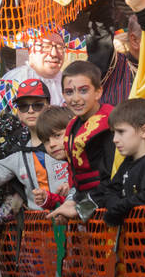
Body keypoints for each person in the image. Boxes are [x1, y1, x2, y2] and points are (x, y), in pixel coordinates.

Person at [0, 79, 70, 210]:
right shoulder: (17, 151)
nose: (30, 110)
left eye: (37, 105)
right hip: (38, 225)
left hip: (74, 221)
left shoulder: (66, 139)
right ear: (18, 113)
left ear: (48, 106)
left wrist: (72, 184)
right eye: (23, 106)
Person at [48, 61, 115, 223]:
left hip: (108, 211)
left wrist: (81, 209)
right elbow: (75, 175)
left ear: (98, 92)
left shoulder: (111, 125)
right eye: (69, 92)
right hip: (84, 211)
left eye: (83, 91)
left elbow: (113, 180)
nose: (76, 99)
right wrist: (71, 202)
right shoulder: (72, 126)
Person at [0, 31, 67, 123]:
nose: (54, 53)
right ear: (30, 50)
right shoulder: (8, 85)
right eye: (45, 46)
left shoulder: (69, 84)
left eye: (60, 47)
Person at [103, 98, 145, 226]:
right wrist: (115, 206)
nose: (115, 139)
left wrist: (118, 209)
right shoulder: (128, 162)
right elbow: (110, 191)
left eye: (121, 132)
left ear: (144, 131)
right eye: (114, 133)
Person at [32, 106, 74, 210]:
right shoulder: (71, 164)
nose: (51, 144)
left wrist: (76, 189)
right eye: (46, 140)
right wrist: (48, 198)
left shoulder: (86, 162)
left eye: (57, 135)